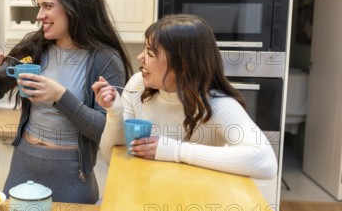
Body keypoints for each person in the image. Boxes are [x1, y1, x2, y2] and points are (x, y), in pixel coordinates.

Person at [0, 0, 133, 204]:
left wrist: (60, 96)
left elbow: (106, 130)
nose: (40, 16)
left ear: (75, 8)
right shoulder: (35, 48)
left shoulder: (104, 59)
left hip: (71, 178)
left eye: (48, 6)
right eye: (39, 7)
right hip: (22, 168)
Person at [92, 14, 277, 179]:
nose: (140, 57)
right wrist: (115, 113)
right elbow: (112, 162)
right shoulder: (137, 86)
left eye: (150, 52)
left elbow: (265, 162)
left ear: (183, 64)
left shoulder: (217, 104)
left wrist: (175, 151)